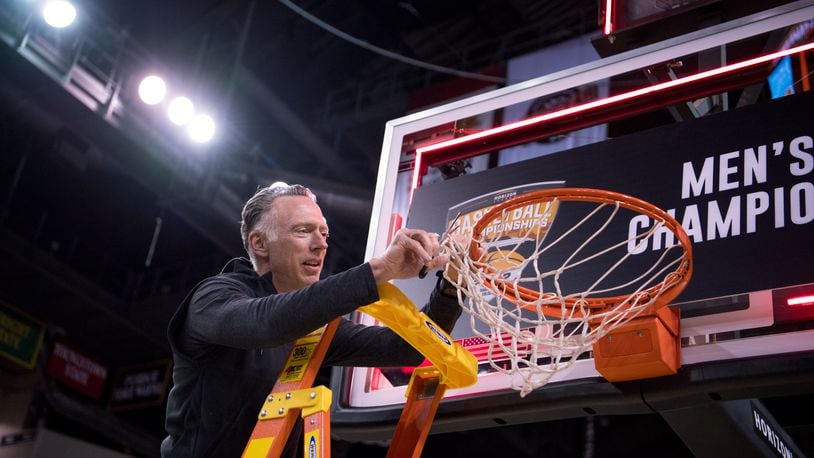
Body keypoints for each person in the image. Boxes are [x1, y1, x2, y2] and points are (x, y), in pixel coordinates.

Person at [160, 183, 463, 457]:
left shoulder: (311, 326)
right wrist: (379, 270)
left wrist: (451, 286)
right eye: (303, 231)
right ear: (260, 244)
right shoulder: (213, 297)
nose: (321, 244)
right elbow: (267, 324)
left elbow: (406, 349)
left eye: (324, 232)